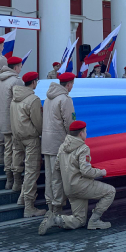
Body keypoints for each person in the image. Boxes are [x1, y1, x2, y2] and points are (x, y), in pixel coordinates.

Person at [39, 120, 116, 235]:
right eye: (85, 131)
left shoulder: (62, 147)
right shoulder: (83, 148)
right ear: (81, 133)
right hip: (82, 186)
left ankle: (55, 220)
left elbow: (57, 167)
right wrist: (101, 172)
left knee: (79, 220)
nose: (86, 133)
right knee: (110, 191)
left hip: (69, 188)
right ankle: (95, 220)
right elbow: (86, 171)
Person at [10, 71, 46, 218]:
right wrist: (41, 133)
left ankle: (21, 198)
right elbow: (38, 122)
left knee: (23, 166)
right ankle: (29, 207)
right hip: (30, 138)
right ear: (34, 82)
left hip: (17, 136)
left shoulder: (14, 98)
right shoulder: (33, 99)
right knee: (32, 171)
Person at [41, 72, 76, 220]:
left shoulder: (49, 98)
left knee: (49, 175)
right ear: (68, 84)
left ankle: (50, 204)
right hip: (58, 142)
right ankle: (57, 207)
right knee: (57, 177)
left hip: (47, 141)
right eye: (72, 84)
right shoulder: (65, 99)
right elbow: (70, 122)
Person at [0, 56, 24, 190]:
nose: (21, 68)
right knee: (17, 151)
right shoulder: (16, 81)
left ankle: (9, 179)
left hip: (3, 121)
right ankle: (17, 181)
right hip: (14, 122)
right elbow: (21, 103)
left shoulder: (0, 81)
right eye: (20, 66)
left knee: (8, 150)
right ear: (16, 67)